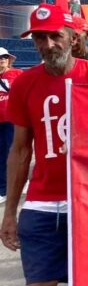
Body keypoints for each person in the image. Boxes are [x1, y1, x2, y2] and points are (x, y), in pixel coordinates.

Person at [0, 4, 88, 286]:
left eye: (55, 36)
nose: (47, 45)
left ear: (73, 38)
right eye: (39, 38)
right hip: (42, 202)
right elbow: (20, 150)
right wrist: (10, 212)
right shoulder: (24, 84)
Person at [0, 47, 23, 203]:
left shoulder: (18, 74)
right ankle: (3, 188)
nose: (2, 60)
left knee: (13, 153)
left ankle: (14, 185)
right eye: (0, 57)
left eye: (5, 57)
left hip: (12, 121)